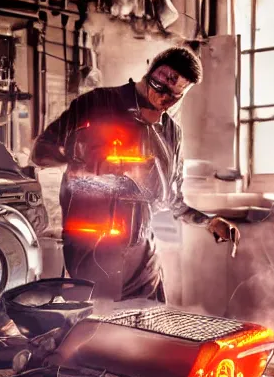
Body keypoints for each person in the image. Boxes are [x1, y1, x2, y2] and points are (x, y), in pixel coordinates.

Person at [31, 46, 239, 304]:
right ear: (151, 72)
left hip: (143, 262)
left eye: (176, 97)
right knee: (96, 335)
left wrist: (208, 221)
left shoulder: (171, 132)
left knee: (147, 336)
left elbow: (171, 199)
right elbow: (40, 153)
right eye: (162, 89)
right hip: (92, 254)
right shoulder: (95, 104)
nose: (166, 101)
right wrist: (88, 159)